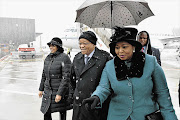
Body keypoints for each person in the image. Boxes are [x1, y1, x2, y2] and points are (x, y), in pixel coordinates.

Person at [83, 27, 177, 120]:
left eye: (124, 47)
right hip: (117, 116)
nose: (120, 51)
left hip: (145, 116)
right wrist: (97, 96)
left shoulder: (150, 62)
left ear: (133, 46)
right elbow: (104, 87)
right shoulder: (110, 66)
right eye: (117, 47)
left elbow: (163, 94)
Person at [70, 31, 112, 120]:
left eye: (85, 43)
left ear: (93, 44)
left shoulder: (104, 58)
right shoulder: (77, 58)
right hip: (79, 105)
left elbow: (109, 82)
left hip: (95, 105)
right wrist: (74, 95)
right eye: (80, 43)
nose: (81, 46)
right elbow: (72, 79)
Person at [38, 37, 72, 120]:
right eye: (50, 45)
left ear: (58, 46)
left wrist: (60, 93)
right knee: (46, 111)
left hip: (59, 90)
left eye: (53, 45)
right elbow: (44, 75)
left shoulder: (64, 58)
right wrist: (41, 89)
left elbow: (66, 77)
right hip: (48, 91)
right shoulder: (48, 58)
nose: (51, 47)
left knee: (62, 111)